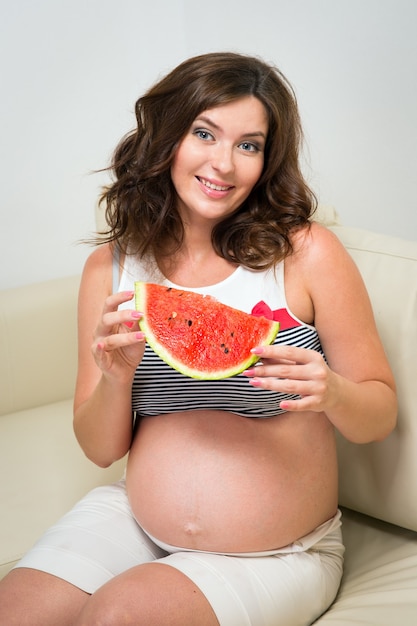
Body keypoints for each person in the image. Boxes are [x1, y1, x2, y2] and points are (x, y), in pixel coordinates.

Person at [0, 51, 397, 626]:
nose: (224, 164)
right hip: (135, 520)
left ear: (268, 159)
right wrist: (116, 378)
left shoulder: (306, 253)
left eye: (249, 144)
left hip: (276, 552)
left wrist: (334, 392)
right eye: (204, 133)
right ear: (167, 138)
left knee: (119, 617)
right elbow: (99, 448)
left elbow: (379, 414)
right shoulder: (110, 268)